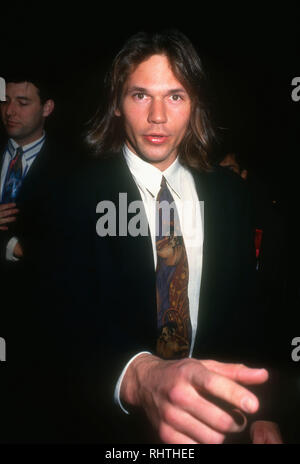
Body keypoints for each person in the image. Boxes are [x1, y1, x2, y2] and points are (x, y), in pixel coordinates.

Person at [4, 31, 284, 444]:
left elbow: (247, 308)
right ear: (116, 104)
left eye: (175, 96)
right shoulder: (65, 194)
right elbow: (53, 321)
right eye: (140, 95)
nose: (157, 116)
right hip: (106, 428)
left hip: (217, 424)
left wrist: (261, 410)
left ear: (195, 105)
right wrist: (137, 376)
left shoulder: (231, 195)